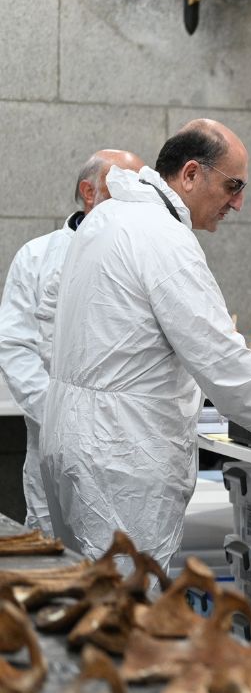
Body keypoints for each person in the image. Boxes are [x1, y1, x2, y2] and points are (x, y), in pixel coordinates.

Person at [40, 119, 251, 569]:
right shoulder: (162, 238)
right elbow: (224, 365)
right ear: (190, 174)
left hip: (73, 441)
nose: (239, 203)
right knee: (130, 611)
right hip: (120, 454)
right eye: (233, 185)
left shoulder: (107, 219)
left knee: (90, 607)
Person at [0, 150, 144, 534]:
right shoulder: (37, 256)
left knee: (122, 565)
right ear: (89, 191)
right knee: (57, 557)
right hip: (53, 442)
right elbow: (15, 346)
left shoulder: (144, 255)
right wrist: (60, 417)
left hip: (127, 450)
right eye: (122, 189)